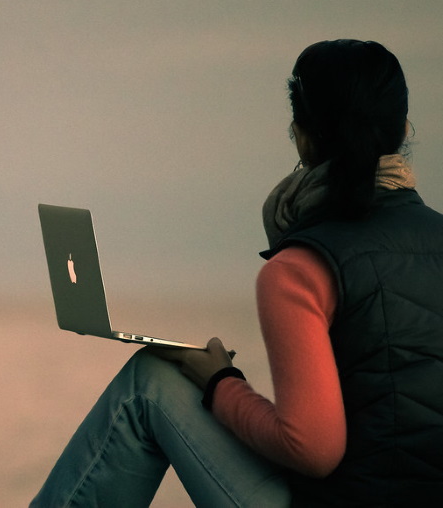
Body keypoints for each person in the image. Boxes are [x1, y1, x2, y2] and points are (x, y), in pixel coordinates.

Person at [30, 39, 443, 507]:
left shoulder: (300, 269)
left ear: (301, 134)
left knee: (148, 383)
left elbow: (313, 449)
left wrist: (221, 383)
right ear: (404, 127)